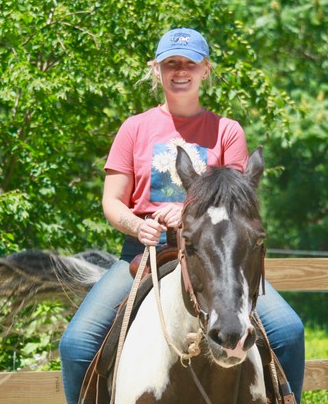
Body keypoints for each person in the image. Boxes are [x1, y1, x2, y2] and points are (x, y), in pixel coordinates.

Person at [59, 27, 305, 404]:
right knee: (76, 345)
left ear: (205, 69)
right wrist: (137, 224)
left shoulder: (226, 131)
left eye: (189, 63)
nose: (180, 71)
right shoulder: (134, 128)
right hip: (144, 255)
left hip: (217, 258)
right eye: (171, 63)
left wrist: (188, 211)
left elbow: (238, 203)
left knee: (288, 331)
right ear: (156, 70)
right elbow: (112, 201)